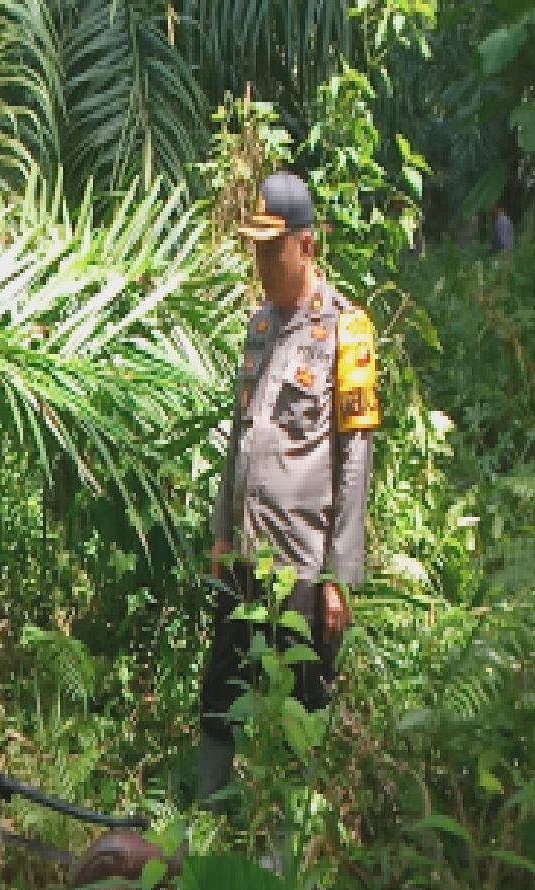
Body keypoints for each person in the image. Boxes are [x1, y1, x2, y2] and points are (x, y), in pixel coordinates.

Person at [197, 172, 376, 801]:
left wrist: (339, 576)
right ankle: (207, 817)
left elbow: (355, 459)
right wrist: (222, 533)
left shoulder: (345, 332)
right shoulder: (259, 327)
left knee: (305, 702)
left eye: (274, 251)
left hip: (301, 561)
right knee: (221, 688)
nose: (264, 265)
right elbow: (238, 440)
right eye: (257, 252)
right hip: (247, 552)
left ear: (308, 245)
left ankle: (295, 840)